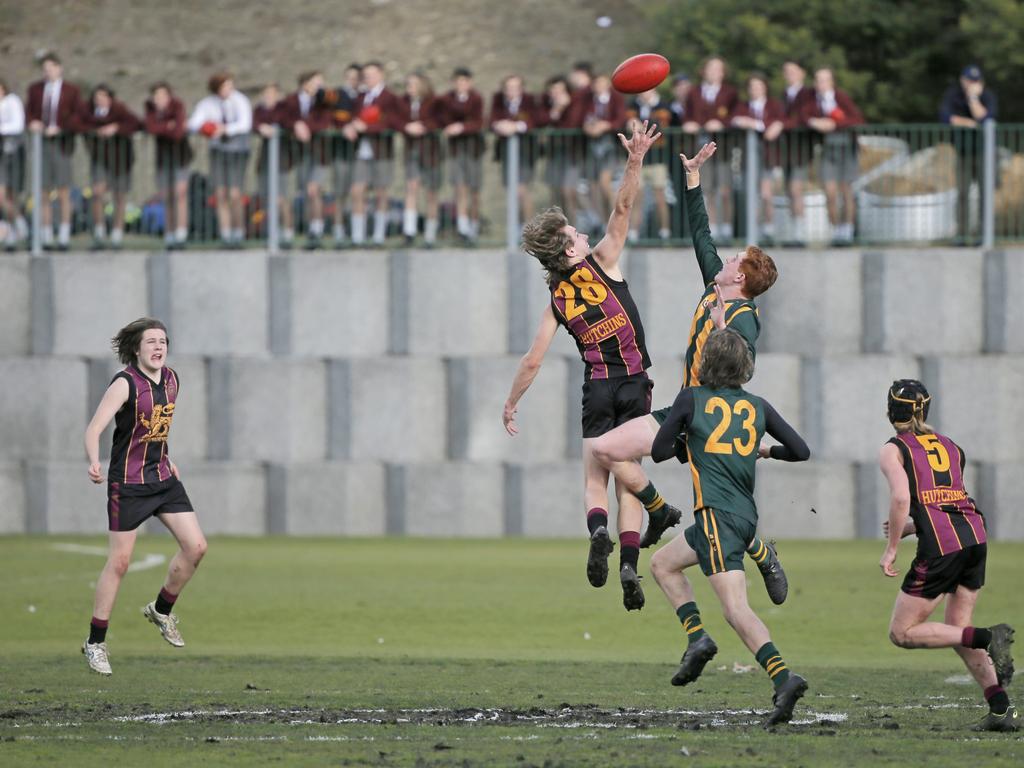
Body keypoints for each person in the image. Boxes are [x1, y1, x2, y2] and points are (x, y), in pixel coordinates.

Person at [588, 142, 787, 605]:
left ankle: (762, 553)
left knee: (720, 515)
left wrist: (723, 336)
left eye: (736, 261)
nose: (729, 259)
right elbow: (702, 234)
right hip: (680, 410)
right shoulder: (717, 287)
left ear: (740, 280)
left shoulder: (742, 317)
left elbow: (743, 367)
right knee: (605, 449)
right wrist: (693, 178)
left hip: (707, 419)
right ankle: (659, 511)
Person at [504, 120, 681, 612]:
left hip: (597, 389)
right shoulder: (603, 261)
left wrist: (511, 403)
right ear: (570, 250)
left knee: (593, 478)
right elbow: (623, 207)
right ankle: (630, 559)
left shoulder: (557, 299)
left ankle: (598, 532)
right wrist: (636, 158)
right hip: (634, 384)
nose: (583, 233)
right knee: (629, 470)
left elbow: (533, 359)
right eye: (574, 234)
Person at [648, 327, 810, 727]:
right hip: (739, 516)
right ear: (744, 367)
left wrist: (688, 437)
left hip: (716, 517)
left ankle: (783, 678)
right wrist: (767, 450)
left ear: (707, 363)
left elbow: (657, 451)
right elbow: (801, 451)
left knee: (736, 609)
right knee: (663, 564)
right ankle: (697, 637)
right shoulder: (758, 406)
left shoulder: (691, 398)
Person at [878, 379, 1018, 732]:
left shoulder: (893, 449)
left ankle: (989, 637)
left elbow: (900, 499)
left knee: (902, 632)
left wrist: (892, 547)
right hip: (975, 537)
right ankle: (1000, 709)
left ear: (890, 410)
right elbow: (944, 499)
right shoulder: (952, 446)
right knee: (957, 631)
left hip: (943, 548)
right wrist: (912, 528)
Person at [81, 318, 208, 676]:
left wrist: (167, 457)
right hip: (128, 484)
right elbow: (94, 429)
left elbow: (157, 429)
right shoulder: (124, 384)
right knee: (119, 563)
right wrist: (94, 461)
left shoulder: (171, 379)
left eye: (162, 341)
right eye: (150, 341)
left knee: (196, 547)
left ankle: (161, 610)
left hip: (163, 478)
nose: (158, 347)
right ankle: (95, 642)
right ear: (136, 349)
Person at [188, 72, 252, 248]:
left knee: (235, 194)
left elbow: (245, 123)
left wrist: (226, 129)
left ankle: (238, 233)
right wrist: (207, 128)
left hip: (237, 150)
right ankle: (226, 234)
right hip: (218, 151)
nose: (228, 90)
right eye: (224, 86)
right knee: (221, 194)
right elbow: (193, 122)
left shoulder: (239, 100)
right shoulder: (208, 104)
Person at [25, 52, 81, 251]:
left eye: (51, 68)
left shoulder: (71, 90)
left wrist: (61, 127)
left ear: (59, 68)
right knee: (43, 191)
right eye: (45, 69)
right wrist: (33, 123)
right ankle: (46, 234)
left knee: (64, 190)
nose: (48, 72)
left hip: (62, 143)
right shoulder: (36, 89)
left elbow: (77, 116)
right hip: (43, 144)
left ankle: (64, 234)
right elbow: (29, 112)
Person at [801, 67, 863, 246]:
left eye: (824, 80)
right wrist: (815, 122)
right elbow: (803, 116)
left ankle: (847, 230)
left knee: (847, 190)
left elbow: (857, 118)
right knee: (829, 192)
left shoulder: (841, 97)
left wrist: (834, 124)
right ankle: (835, 229)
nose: (820, 84)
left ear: (831, 82)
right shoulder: (813, 100)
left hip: (846, 148)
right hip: (827, 150)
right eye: (818, 80)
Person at [345, 61, 402, 246]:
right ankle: (357, 235)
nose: (367, 79)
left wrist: (367, 127)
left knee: (381, 192)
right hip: (362, 150)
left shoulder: (390, 97)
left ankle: (378, 235)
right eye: (365, 76)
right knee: (357, 190)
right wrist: (351, 126)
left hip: (381, 151)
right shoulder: (361, 97)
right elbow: (353, 117)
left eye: (371, 75)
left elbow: (392, 122)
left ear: (380, 75)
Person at [939, 65, 998, 245]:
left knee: (985, 193)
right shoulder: (953, 95)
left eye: (975, 81)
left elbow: (986, 118)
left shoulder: (987, 96)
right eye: (969, 81)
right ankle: (962, 235)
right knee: (962, 193)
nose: (971, 84)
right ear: (962, 80)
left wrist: (973, 98)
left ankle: (984, 234)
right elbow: (945, 117)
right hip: (962, 151)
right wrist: (966, 122)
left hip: (984, 153)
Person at [80, 84, 142, 250]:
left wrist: (116, 128)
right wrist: (96, 131)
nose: (100, 100)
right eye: (97, 97)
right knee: (97, 192)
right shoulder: (90, 113)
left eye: (103, 97)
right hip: (100, 158)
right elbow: (79, 124)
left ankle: (117, 233)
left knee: (119, 195)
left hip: (121, 159)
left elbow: (136, 123)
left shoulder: (119, 110)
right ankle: (99, 231)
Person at [683, 57, 738, 242]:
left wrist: (721, 123)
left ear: (723, 72)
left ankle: (728, 227)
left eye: (717, 69)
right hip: (700, 148)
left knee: (724, 188)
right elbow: (687, 115)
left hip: (722, 148)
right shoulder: (694, 92)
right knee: (706, 189)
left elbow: (736, 115)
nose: (713, 72)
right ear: (704, 71)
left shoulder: (730, 92)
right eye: (710, 68)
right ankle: (712, 226)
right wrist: (689, 124)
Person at [279, 71, 331, 249]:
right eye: (316, 82)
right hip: (299, 154)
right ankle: (308, 228)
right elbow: (282, 118)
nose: (320, 86)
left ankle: (317, 229)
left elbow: (325, 121)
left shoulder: (323, 102)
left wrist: (305, 126)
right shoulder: (291, 101)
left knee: (313, 190)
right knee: (305, 192)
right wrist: (295, 125)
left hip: (319, 154)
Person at [731, 73, 785, 243]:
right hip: (748, 157)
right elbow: (734, 119)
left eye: (758, 86)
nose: (755, 90)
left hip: (768, 155)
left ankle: (768, 227)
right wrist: (745, 121)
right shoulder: (744, 106)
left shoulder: (774, 105)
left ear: (765, 87)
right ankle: (753, 229)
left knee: (766, 192)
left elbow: (780, 121)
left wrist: (758, 125)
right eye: (752, 87)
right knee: (751, 194)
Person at [437, 67, 485, 245]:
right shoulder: (447, 99)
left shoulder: (476, 98)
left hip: (473, 150)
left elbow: (478, 122)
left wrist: (461, 128)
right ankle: (462, 228)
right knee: (460, 188)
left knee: (474, 190)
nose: (460, 85)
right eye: (458, 81)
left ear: (469, 83)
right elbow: (442, 118)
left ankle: (473, 225)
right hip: (456, 150)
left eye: (464, 81)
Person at [145, 82, 192, 250]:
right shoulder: (150, 109)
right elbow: (151, 128)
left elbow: (179, 131)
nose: (160, 100)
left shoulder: (178, 106)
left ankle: (181, 233)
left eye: (163, 96)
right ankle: (169, 233)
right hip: (163, 159)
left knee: (180, 193)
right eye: (156, 96)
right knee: (167, 196)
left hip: (180, 157)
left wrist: (165, 128)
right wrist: (167, 126)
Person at [399, 72, 442, 247]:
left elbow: (440, 120)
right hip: (412, 151)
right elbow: (395, 119)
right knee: (411, 187)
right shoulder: (403, 102)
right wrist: (406, 126)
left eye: (413, 84)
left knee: (431, 193)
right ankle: (409, 231)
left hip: (430, 153)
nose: (409, 88)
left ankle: (430, 234)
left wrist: (423, 127)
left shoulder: (434, 102)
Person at [321, 63, 362, 247]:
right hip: (341, 150)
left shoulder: (363, 96)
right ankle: (338, 229)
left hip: (360, 152)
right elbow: (326, 111)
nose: (353, 81)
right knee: (340, 192)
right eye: (350, 77)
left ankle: (356, 231)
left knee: (357, 192)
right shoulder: (337, 94)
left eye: (356, 78)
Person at [490, 74, 538, 225]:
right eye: (509, 87)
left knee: (522, 190)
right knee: (512, 191)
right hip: (506, 153)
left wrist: (516, 126)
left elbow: (535, 120)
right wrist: (499, 125)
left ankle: (530, 227)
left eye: (515, 87)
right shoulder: (498, 101)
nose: (512, 91)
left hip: (525, 151)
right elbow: (491, 120)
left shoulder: (529, 100)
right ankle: (517, 227)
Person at [626, 88, 673, 242]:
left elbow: (662, 127)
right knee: (636, 197)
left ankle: (665, 231)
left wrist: (641, 126)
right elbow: (626, 124)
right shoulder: (632, 105)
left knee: (660, 196)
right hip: (637, 159)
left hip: (657, 159)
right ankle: (633, 232)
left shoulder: (664, 105)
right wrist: (632, 125)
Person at [253, 82, 295, 248]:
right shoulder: (259, 110)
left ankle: (288, 232)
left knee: (281, 198)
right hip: (265, 159)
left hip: (282, 159)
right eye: (266, 94)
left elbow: (283, 121)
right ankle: (271, 233)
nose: (268, 98)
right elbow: (254, 122)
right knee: (266, 198)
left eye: (272, 94)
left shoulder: (283, 109)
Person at [539, 76, 583, 225]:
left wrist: (563, 109)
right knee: (555, 191)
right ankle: (558, 229)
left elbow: (571, 124)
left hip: (571, 154)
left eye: (560, 90)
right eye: (553, 90)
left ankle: (574, 227)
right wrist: (557, 109)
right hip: (553, 153)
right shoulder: (546, 103)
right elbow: (539, 120)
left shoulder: (574, 103)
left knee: (568, 190)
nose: (556, 93)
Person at [780, 61, 813, 246]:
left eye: (793, 71)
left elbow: (802, 117)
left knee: (796, 189)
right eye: (787, 71)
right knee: (788, 191)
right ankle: (794, 230)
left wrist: (783, 124)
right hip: (787, 149)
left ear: (802, 73)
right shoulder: (785, 94)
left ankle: (800, 232)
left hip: (801, 149)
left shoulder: (807, 94)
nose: (790, 74)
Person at [0, 78, 28, 251]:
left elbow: (17, 125)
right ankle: (18, 224)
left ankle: (15, 229)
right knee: (1, 196)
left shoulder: (12, 101)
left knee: (11, 195)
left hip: (12, 153)